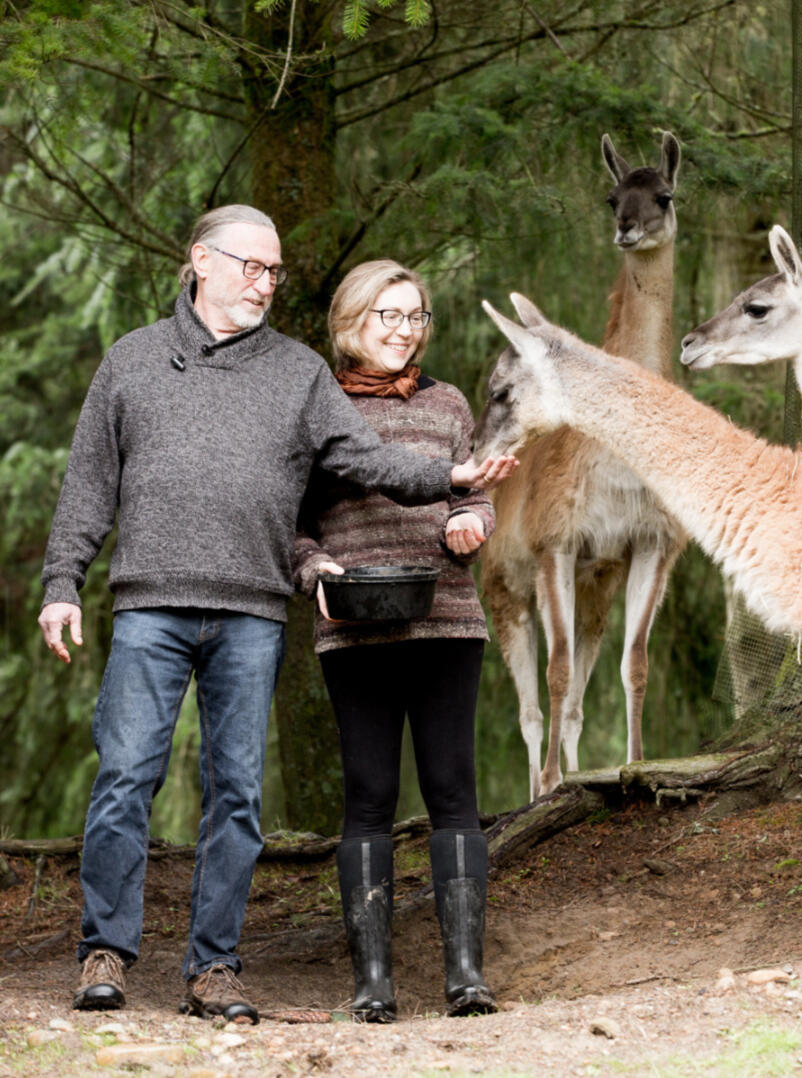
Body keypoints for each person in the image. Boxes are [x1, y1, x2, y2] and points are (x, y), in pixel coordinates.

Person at [37, 207, 515, 1024]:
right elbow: (89, 483)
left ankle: (213, 968)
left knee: (237, 798)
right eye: (251, 266)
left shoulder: (298, 373)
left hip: (253, 612)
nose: (265, 282)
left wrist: (453, 472)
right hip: (150, 602)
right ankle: (103, 952)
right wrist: (61, 583)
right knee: (124, 778)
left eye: (274, 271)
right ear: (200, 261)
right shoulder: (132, 362)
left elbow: (362, 457)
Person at [291, 260, 499, 1021]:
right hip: (353, 629)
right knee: (369, 796)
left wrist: (470, 524)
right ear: (352, 322)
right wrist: (313, 565)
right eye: (389, 315)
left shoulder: (447, 403)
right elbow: (293, 522)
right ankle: (372, 982)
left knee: (453, 791)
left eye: (416, 317)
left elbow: (472, 493)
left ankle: (466, 976)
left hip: (446, 617)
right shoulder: (317, 409)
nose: (404, 331)